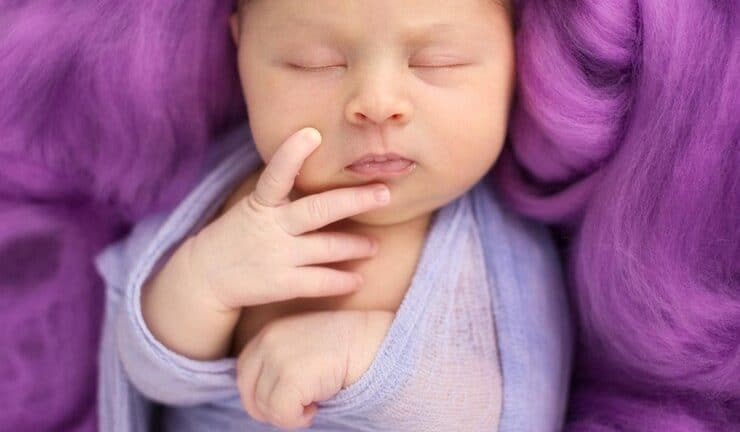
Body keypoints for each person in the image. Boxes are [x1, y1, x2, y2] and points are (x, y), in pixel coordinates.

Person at [95, 0, 572, 431]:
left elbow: (524, 410)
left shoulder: (505, 251)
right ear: (243, 54)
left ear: (514, 54)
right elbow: (145, 373)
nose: (377, 104)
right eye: (314, 62)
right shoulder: (226, 195)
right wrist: (203, 284)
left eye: (437, 61)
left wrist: (365, 355)